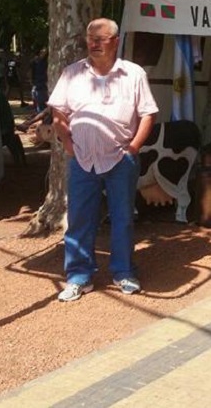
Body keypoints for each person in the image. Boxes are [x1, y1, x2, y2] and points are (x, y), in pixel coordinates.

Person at [48, 18, 158, 302]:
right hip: (83, 159)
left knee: (122, 219)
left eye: (101, 38)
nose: (94, 43)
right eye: (91, 38)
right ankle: (78, 277)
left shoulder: (133, 74)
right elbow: (58, 113)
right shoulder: (72, 73)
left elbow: (148, 113)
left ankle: (123, 272)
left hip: (121, 159)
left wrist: (133, 148)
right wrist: (68, 143)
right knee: (79, 219)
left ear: (115, 41)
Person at [31, 47, 49, 113]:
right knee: (40, 106)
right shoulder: (37, 63)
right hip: (39, 86)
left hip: (40, 86)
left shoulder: (42, 63)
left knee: (41, 106)